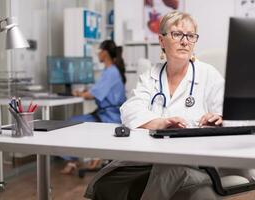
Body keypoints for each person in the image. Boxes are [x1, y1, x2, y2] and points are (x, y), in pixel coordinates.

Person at [85, 11, 224, 200]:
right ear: (161, 40)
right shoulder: (150, 76)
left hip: (194, 161)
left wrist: (219, 119)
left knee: (168, 172)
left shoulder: (208, 75)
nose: (185, 41)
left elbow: (232, 116)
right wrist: (161, 123)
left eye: (190, 36)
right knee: (106, 185)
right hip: (152, 159)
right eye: (177, 34)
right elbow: (130, 110)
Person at [61, 40, 127, 174]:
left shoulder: (111, 72)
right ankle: (76, 160)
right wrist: (85, 91)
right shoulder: (111, 70)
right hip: (108, 114)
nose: (97, 54)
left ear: (105, 53)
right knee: (74, 121)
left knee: (71, 123)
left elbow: (92, 94)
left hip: (110, 117)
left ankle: (74, 160)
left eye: (99, 51)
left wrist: (80, 93)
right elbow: (98, 89)